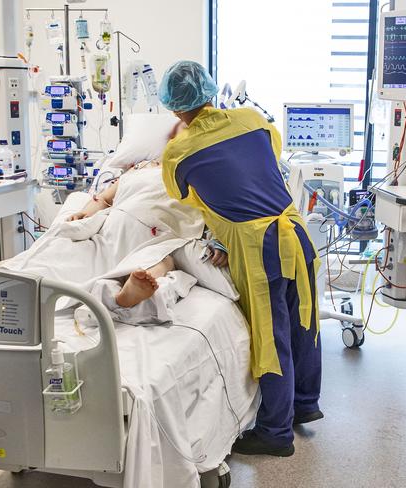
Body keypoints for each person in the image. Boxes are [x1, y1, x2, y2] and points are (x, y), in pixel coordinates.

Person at [158, 60, 322, 457]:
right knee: (304, 321)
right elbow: (266, 164)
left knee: (272, 335)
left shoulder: (177, 153)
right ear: (211, 92)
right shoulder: (253, 119)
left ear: (175, 108)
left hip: (258, 246)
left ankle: (276, 433)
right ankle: (304, 406)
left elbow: (187, 198)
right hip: (295, 231)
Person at [0, 160, 204, 312]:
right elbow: (102, 199)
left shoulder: (197, 178)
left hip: (160, 230)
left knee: (163, 259)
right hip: (112, 226)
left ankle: (127, 293)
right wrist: (84, 213)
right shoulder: (138, 171)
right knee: (61, 251)